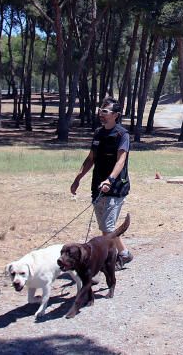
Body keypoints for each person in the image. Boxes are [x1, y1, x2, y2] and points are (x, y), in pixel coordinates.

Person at [70, 96, 132, 267]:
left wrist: (110, 180)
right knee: (107, 228)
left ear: (115, 115)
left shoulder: (122, 135)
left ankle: (106, 262)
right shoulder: (98, 133)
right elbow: (91, 158)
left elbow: (121, 161)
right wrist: (77, 179)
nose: (101, 114)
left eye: (105, 111)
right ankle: (125, 253)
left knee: (107, 227)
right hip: (97, 186)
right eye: (100, 111)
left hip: (116, 187)